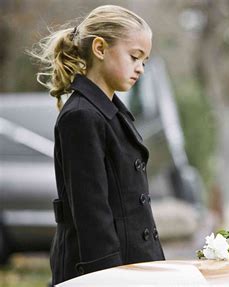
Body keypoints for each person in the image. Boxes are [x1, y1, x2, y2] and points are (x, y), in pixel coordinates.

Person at [27, 5, 165, 285]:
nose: (140, 68)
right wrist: (109, 278)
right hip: (99, 271)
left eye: (144, 61)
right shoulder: (81, 116)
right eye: (134, 56)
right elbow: (92, 214)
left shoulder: (112, 112)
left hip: (132, 264)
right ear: (100, 48)